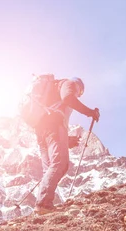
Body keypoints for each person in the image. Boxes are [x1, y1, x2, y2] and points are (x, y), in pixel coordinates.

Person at [34, 77, 100, 214]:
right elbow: (68, 98)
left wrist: (67, 140)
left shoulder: (53, 90)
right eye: (80, 93)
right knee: (60, 164)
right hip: (53, 125)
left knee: (50, 167)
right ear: (79, 88)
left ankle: (42, 206)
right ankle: (43, 204)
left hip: (42, 130)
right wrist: (90, 112)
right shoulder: (70, 84)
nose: (78, 94)